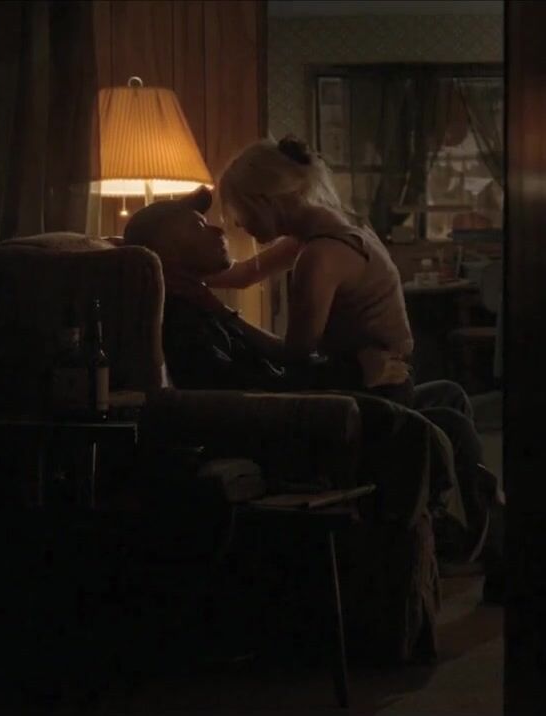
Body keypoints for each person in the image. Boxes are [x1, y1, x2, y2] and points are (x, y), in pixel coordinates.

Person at [122, 187, 505, 599]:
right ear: (169, 253)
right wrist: (355, 370)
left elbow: (280, 362)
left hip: (314, 396)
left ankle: (474, 536)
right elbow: (257, 396)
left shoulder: (207, 306)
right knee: (444, 422)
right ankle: (481, 544)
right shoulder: (183, 324)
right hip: (302, 427)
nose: (219, 229)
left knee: (447, 395)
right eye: (200, 226)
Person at [213, 136, 417, 405]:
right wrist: (176, 271)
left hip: (374, 396)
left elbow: (294, 356)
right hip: (384, 384)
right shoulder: (334, 229)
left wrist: (222, 314)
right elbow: (245, 274)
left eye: (239, 210)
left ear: (265, 201)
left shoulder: (320, 255)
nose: (239, 224)